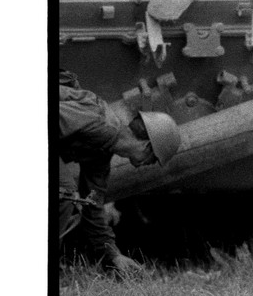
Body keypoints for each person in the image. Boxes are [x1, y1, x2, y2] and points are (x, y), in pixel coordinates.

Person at [59, 69, 181, 277]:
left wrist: (113, 255)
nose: (144, 166)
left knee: (67, 195)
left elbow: (93, 205)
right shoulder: (99, 121)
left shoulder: (101, 154)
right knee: (64, 192)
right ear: (146, 146)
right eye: (152, 160)